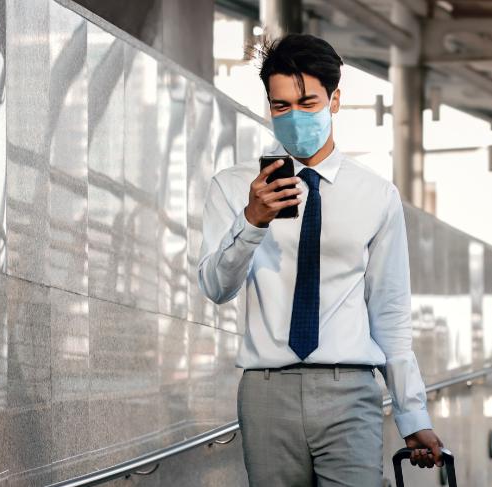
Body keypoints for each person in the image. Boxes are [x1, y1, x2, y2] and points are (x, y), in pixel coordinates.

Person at [196, 34, 445, 486]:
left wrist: (412, 414)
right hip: (266, 394)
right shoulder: (234, 188)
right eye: (281, 106)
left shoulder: (375, 195)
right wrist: (252, 220)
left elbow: (389, 312)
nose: (294, 116)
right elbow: (215, 285)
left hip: (349, 390)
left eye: (307, 102)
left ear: (334, 100)